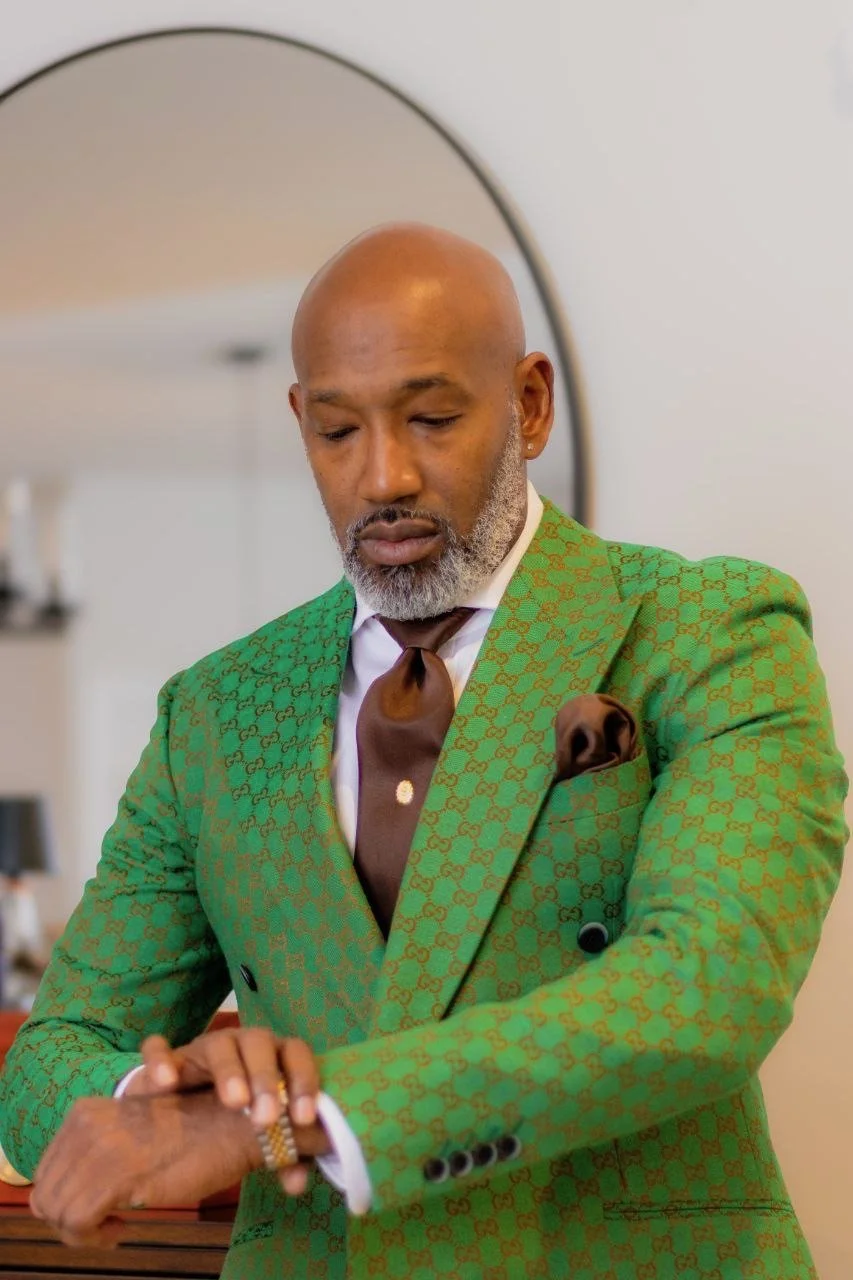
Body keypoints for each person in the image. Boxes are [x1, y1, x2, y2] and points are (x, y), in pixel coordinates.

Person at [0, 224, 847, 1280]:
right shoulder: (213, 711)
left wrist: (297, 1121)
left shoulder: (709, 629)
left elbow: (708, 987)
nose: (382, 475)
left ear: (527, 404)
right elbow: (48, 1056)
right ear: (299, 421)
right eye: (336, 430)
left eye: (432, 417)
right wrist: (155, 1101)